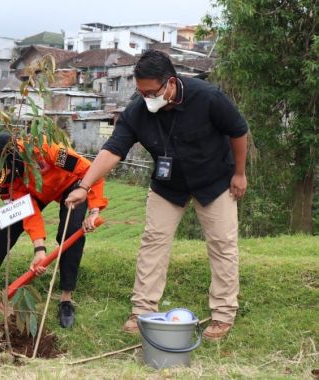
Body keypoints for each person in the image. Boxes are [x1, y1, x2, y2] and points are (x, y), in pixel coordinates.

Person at [65, 50, 248, 341]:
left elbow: (238, 131)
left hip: (213, 180)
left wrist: (239, 173)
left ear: (171, 83)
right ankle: (142, 311)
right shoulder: (138, 110)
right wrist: (84, 186)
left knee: (223, 245)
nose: (146, 97)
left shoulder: (208, 97)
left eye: (151, 91)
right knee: (153, 243)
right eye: (140, 92)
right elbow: (114, 149)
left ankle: (223, 314)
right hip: (168, 186)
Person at [0, 133, 108, 328]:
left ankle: (66, 298)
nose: (3, 179)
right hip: (35, 192)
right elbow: (27, 210)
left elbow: (91, 171)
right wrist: (39, 249)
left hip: (72, 185)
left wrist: (94, 208)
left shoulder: (47, 150)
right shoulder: (5, 180)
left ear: (11, 158)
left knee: (71, 230)